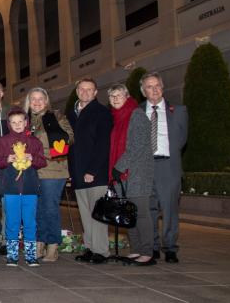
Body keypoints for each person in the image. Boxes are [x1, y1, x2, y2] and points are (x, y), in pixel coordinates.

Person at [0, 108, 47, 266]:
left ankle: (30, 255)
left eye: (20, 121)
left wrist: (33, 158)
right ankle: (12, 255)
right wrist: (6, 159)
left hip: (30, 189)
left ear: (26, 123)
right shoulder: (3, 141)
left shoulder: (34, 141)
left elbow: (43, 161)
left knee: (30, 222)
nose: (17, 125)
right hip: (11, 189)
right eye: (13, 122)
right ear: (9, 124)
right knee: (12, 222)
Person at [141, 72, 188, 263]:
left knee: (169, 210)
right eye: (149, 87)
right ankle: (152, 247)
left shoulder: (178, 110)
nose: (154, 90)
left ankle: (170, 247)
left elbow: (182, 139)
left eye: (157, 86)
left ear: (162, 87)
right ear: (144, 92)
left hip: (168, 166)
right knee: (149, 209)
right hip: (145, 167)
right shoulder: (137, 112)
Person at [66, 78, 114, 264]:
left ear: (95, 93)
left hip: (95, 173)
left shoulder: (102, 113)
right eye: (82, 89)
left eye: (90, 90)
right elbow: (69, 147)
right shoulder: (71, 114)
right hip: (77, 173)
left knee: (97, 213)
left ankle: (101, 251)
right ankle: (90, 247)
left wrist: (92, 170)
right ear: (77, 91)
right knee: (85, 214)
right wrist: (71, 171)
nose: (85, 92)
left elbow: (103, 144)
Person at [108, 84, 155, 266]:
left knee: (141, 213)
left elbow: (138, 145)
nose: (115, 99)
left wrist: (119, 166)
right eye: (112, 96)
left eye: (119, 95)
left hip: (137, 173)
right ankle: (136, 249)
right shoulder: (117, 118)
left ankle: (147, 251)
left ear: (127, 96)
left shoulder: (136, 115)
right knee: (129, 214)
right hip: (122, 174)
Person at [24, 87, 73, 263]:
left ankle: (53, 245)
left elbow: (69, 138)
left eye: (40, 99)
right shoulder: (26, 120)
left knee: (50, 208)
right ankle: (39, 242)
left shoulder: (56, 117)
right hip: (31, 171)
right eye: (33, 99)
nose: (36, 102)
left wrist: (40, 152)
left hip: (53, 169)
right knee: (36, 209)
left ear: (46, 101)